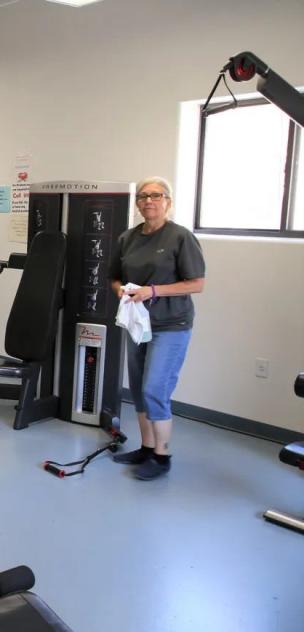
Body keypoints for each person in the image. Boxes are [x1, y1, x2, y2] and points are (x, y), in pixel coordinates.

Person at [108, 177, 206, 480]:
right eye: (143, 196)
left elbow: (196, 283)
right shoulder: (128, 238)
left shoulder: (180, 237)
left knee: (155, 389)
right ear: (137, 203)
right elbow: (113, 277)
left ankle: (162, 457)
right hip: (138, 323)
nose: (149, 200)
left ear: (168, 202)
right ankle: (147, 448)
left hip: (171, 325)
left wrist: (153, 292)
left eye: (156, 195)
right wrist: (121, 292)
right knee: (137, 389)